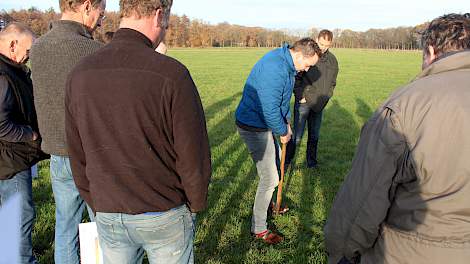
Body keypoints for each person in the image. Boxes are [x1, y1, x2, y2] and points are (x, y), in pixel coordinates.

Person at [65, 0, 211, 263]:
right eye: (166, 22)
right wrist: (195, 205)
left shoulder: (79, 74)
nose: (165, 30)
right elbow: (193, 154)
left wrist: (96, 202)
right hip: (163, 211)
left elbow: (76, 153)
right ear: (158, 15)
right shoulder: (173, 74)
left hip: (108, 209)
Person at [324, 13, 470, 264]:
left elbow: (362, 200)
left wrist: (342, 252)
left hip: (411, 251)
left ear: (431, 51)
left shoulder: (404, 107)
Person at [29, 1, 106, 263]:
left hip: (57, 152)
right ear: (87, 6)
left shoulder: (37, 48)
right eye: (100, 11)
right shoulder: (93, 50)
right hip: (90, 155)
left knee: (65, 225)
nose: (100, 19)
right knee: (106, 227)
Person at [235, 38, 322, 244]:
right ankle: (259, 229)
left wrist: (287, 123)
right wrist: (282, 130)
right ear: (300, 55)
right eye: (308, 64)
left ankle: (274, 203)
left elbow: (282, 100)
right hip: (254, 125)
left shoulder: (287, 64)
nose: (307, 69)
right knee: (270, 178)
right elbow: (270, 107)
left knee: (276, 164)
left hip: (264, 123)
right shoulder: (276, 68)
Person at [0, 22, 48, 264]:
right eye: (28, 51)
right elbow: (1, 125)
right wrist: (30, 134)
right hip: (11, 162)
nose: (29, 57)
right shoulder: (3, 75)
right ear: (12, 45)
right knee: (19, 218)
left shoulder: (11, 69)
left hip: (10, 160)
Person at [285, 29, 339, 169]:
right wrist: (300, 96)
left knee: (314, 136)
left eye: (327, 45)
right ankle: (286, 162)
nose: (323, 47)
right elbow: (297, 77)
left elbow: (332, 82)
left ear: (331, 43)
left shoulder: (332, 61)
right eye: (321, 43)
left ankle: (312, 163)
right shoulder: (308, 54)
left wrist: (327, 96)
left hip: (319, 103)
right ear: (317, 39)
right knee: (296, 136)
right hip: (303, 103)